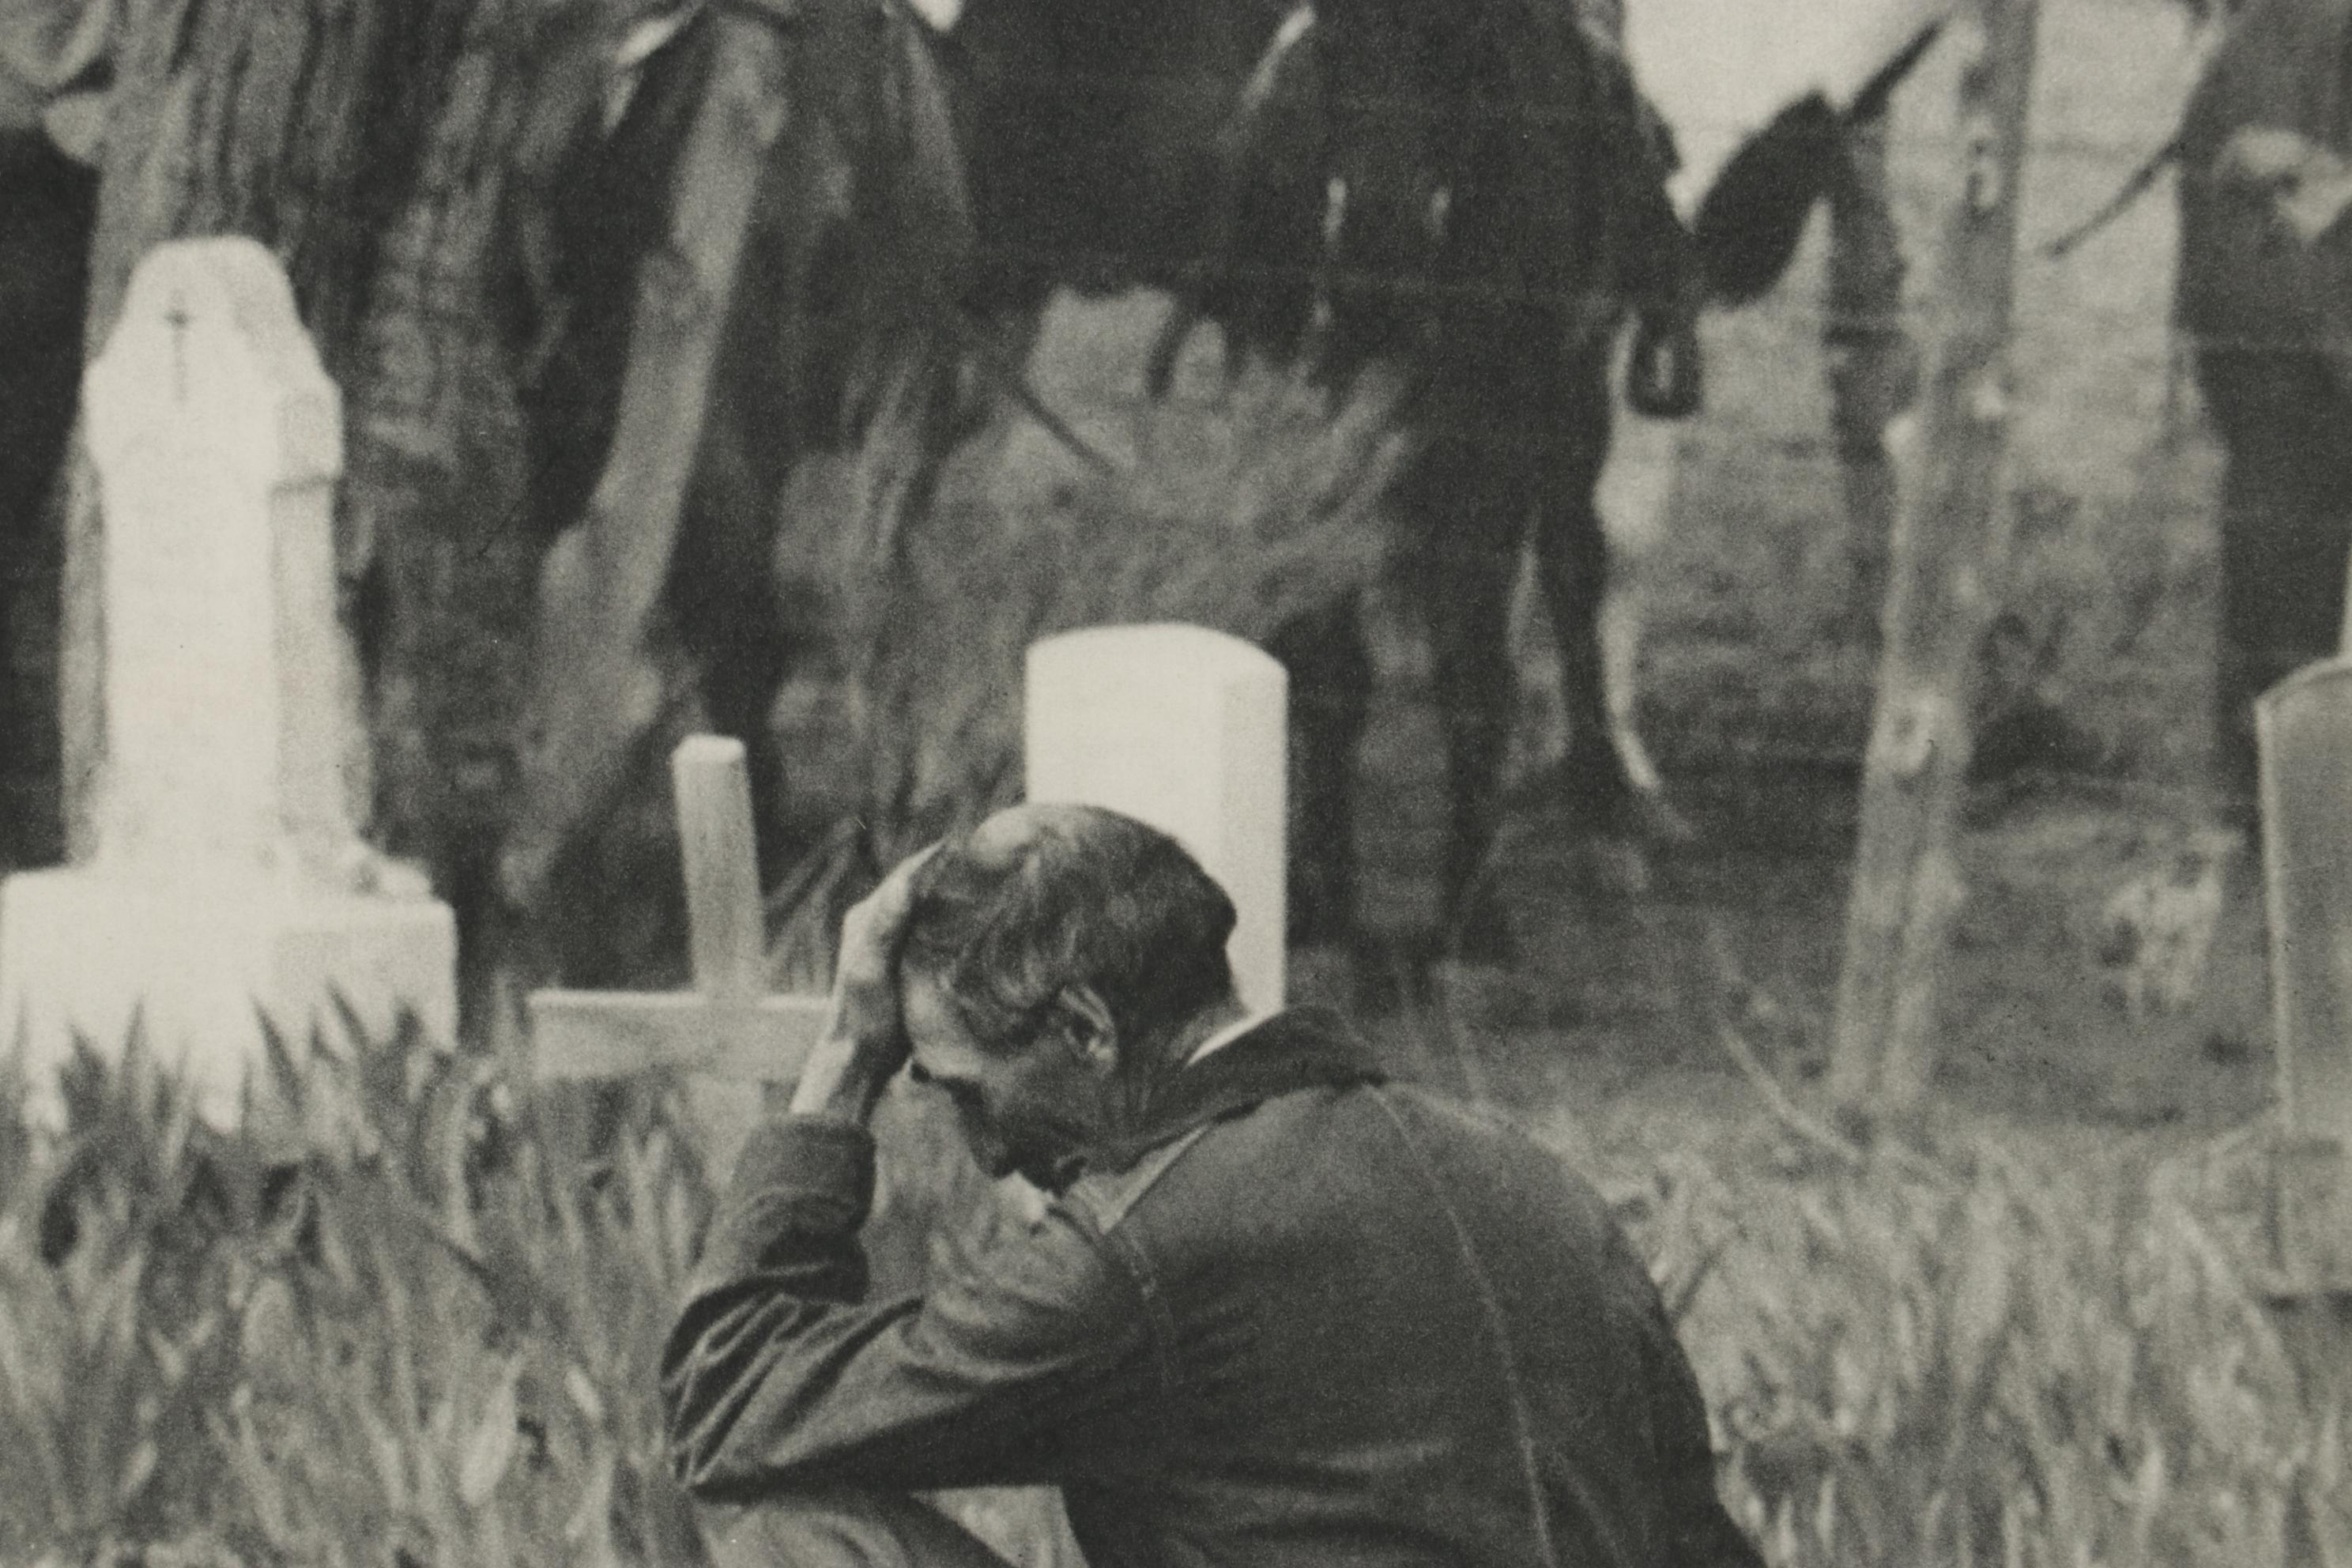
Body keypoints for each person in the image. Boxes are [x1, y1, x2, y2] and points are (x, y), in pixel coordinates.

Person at [661, 802, 1764, 1567]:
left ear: (1087, 1028)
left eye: (966, 1091)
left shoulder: (1147, 1253)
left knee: (791, 1526)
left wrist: (848, 1060)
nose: (988, 1153)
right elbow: (1699, 1545)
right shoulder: (1539, 1185)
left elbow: (728, 1405)